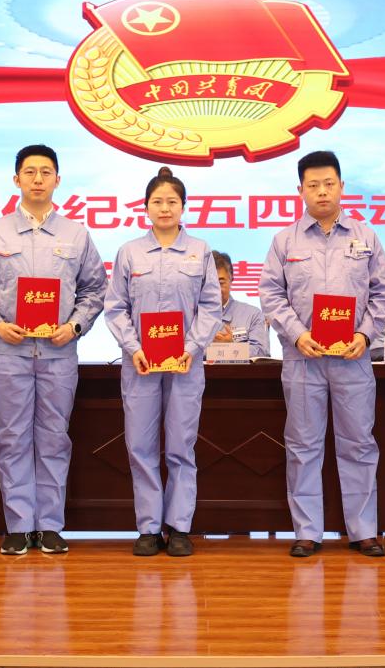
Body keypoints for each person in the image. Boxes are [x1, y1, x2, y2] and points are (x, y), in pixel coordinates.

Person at [0, 144, 107, 556]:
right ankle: (19, 524)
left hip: (59, 353)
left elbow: (95, 290)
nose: (38, 179)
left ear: (58, 180)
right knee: (11, 438)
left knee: (54, 439)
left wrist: (74, 326)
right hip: (10, 353)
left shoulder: (76, 234)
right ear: (16, 180)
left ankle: (49, 525)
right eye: (30, 172)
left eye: (46, 172)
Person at [258, 150, 385, 558]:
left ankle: (363, 530)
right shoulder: (285, 241)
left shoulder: (366, 237)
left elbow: (384, 293)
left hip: (353, 358)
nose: (322, 192)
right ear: (300, 190)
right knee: (303, 445)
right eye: (313, 185)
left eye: (329, 184)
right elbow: (271, 295)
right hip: (304, 359)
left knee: (359, 444)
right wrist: (297, 334)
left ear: (342, 187)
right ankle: (307, 532)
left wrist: (365, 335)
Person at [104, 167, 223, 557]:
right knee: (140, 446)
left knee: (181, 446)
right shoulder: (130, 252)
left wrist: (191, 347)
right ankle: (149, 527)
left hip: (186, 364)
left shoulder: (200, 251)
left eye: (172, 201)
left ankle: (180, 526)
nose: (165, 208)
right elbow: (115, 307)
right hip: (140, 364)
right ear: (146, 207)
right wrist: (133, 347)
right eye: (158, 201)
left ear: (183, 206)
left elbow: (211, 307)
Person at [212, 251, 270, 358]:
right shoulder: (191, 315)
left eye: (221, 283)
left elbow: (262, 352)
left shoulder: (253, 315)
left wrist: (232, 347)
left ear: (231, 279)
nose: (215, 290)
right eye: (210, 284)